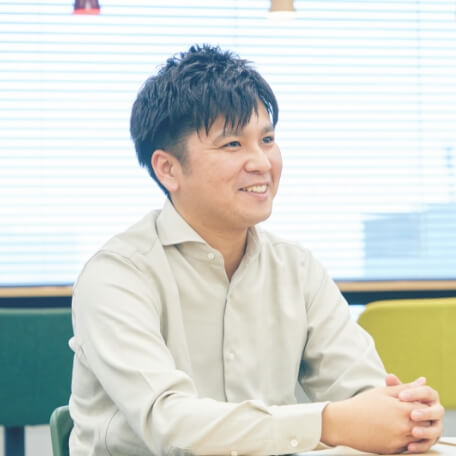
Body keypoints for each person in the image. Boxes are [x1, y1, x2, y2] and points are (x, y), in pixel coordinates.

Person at [68, 44, 444, 456]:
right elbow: (170, 424)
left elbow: (362, 393)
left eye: (267, 139)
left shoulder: (297, 269)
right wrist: (330, 423)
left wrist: (405, 417)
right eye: (233, 144)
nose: (262, 162)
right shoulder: (116, 276)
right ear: (168, 168)